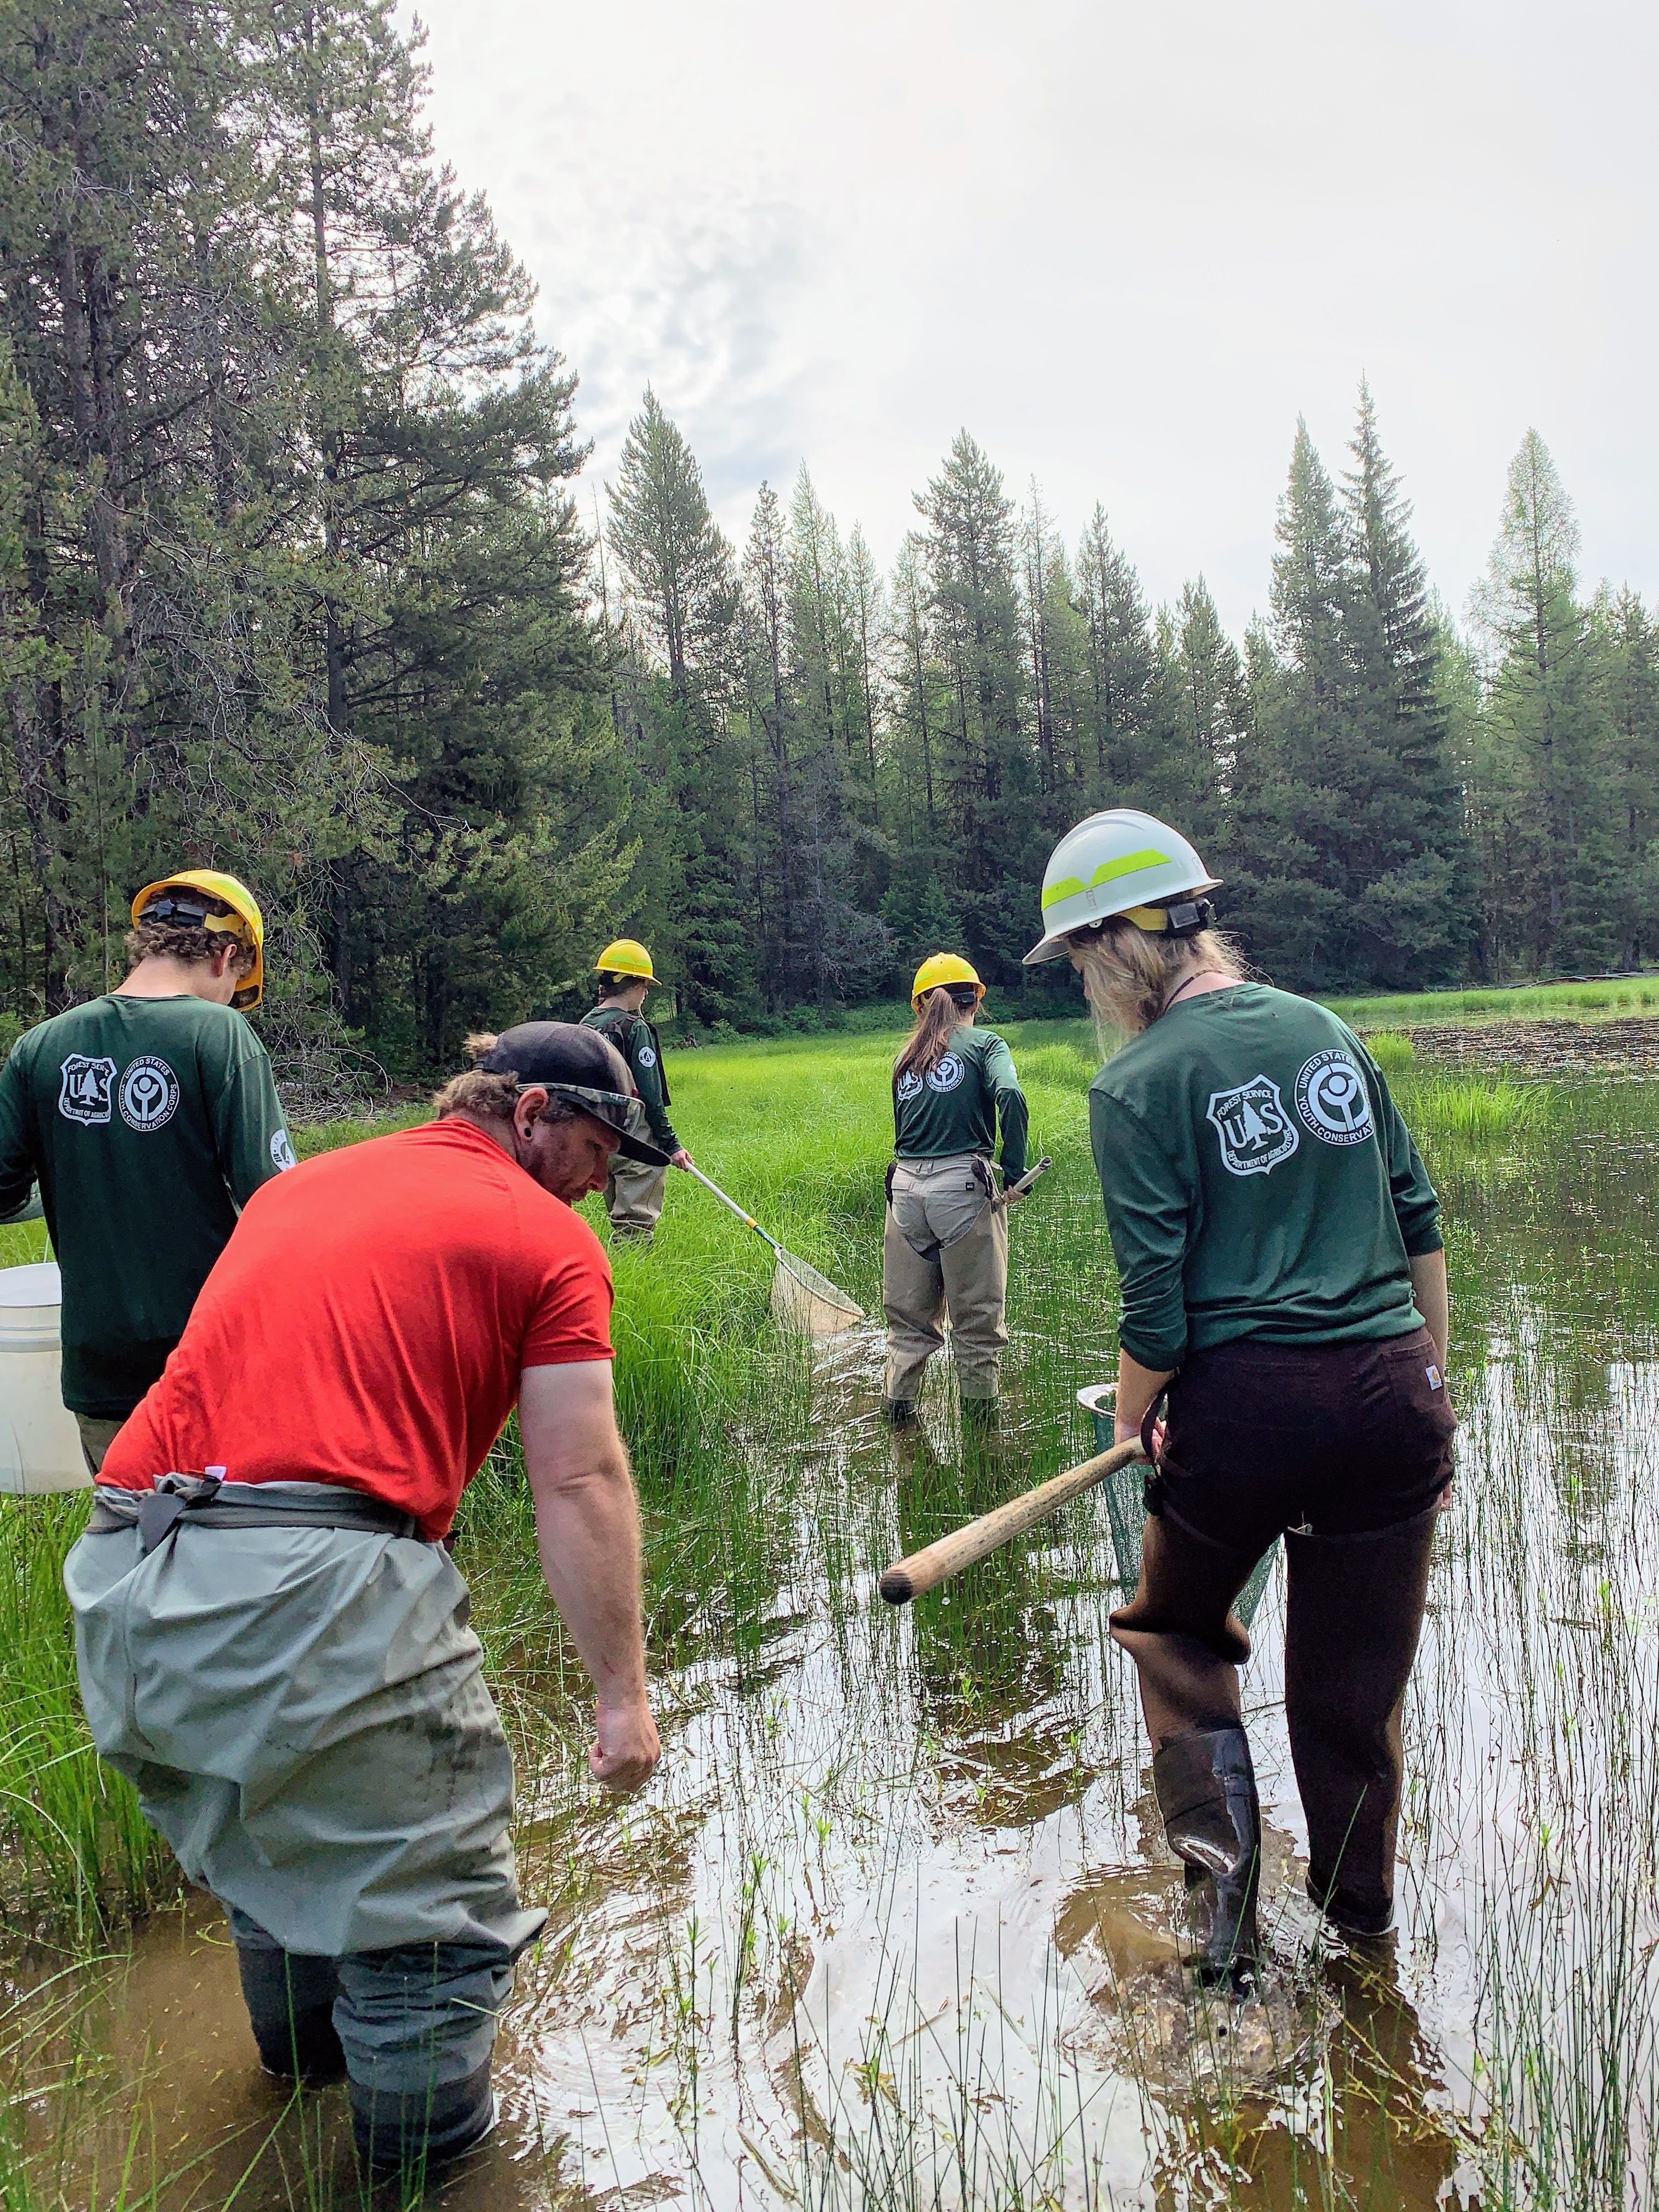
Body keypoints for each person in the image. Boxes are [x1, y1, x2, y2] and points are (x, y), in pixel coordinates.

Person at [63, 1022, 669, 2174]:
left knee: (276, 1845)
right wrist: (620, 1702)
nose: (601, 1182)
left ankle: (291, 2103)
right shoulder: (545, 1241)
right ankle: (425, 2176)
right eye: (597, 1146)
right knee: (427, 1926)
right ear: (531, 1113)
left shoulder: (305, 1188)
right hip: (307, 1583)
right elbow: (581, 1477)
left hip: (126, 1568)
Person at [1025, 809, 1452, 1982]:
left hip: (1251, 1410)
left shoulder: (1138, 1084)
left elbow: (1158, 1314)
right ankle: (1363, 1940)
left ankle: (1225, 1935)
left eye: (1077, 964)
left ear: (1118, 947)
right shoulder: (1326, 1029)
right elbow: (1418, 1219)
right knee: (1349, 1694)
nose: (1083, 987)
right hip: (1396, 1393)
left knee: (1172, 1632)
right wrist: (1432, 1385)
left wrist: (1127, 1423)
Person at [0, 870, 293, 1472]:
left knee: (133, 1551)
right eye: (236, 985)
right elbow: (277, 1201)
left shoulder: (39, 1046)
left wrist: (69, 1176)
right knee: (220, 1551)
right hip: (210, 1366)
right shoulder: (220, 1033)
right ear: (228, 956)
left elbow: (3, 1197)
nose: (231, 1000)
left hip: (98, 1370)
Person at [882, 953, 1029, 1426]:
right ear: (974, 1000)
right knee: (977, 1326)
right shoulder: (987, 1045)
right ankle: (982, 1441)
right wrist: (1013, 1168)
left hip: (903, 1191)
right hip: (962, 1189)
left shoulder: (905, 1058)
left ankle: (899, 1424)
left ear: (920, 1005)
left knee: (908, 1326)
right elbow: (1010, 1095)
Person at [580, 938, 692, 1241]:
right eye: (645, 986)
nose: (645, 993)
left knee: (618, 1210)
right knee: (635, 1223)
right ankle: (633, 1272)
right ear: (634, 985)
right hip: (635, 1134)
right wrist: (671, 1146)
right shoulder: (635, 1028)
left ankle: (623, 1270)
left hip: (599, 1131)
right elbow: (651, 1098)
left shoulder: (585, 1026)